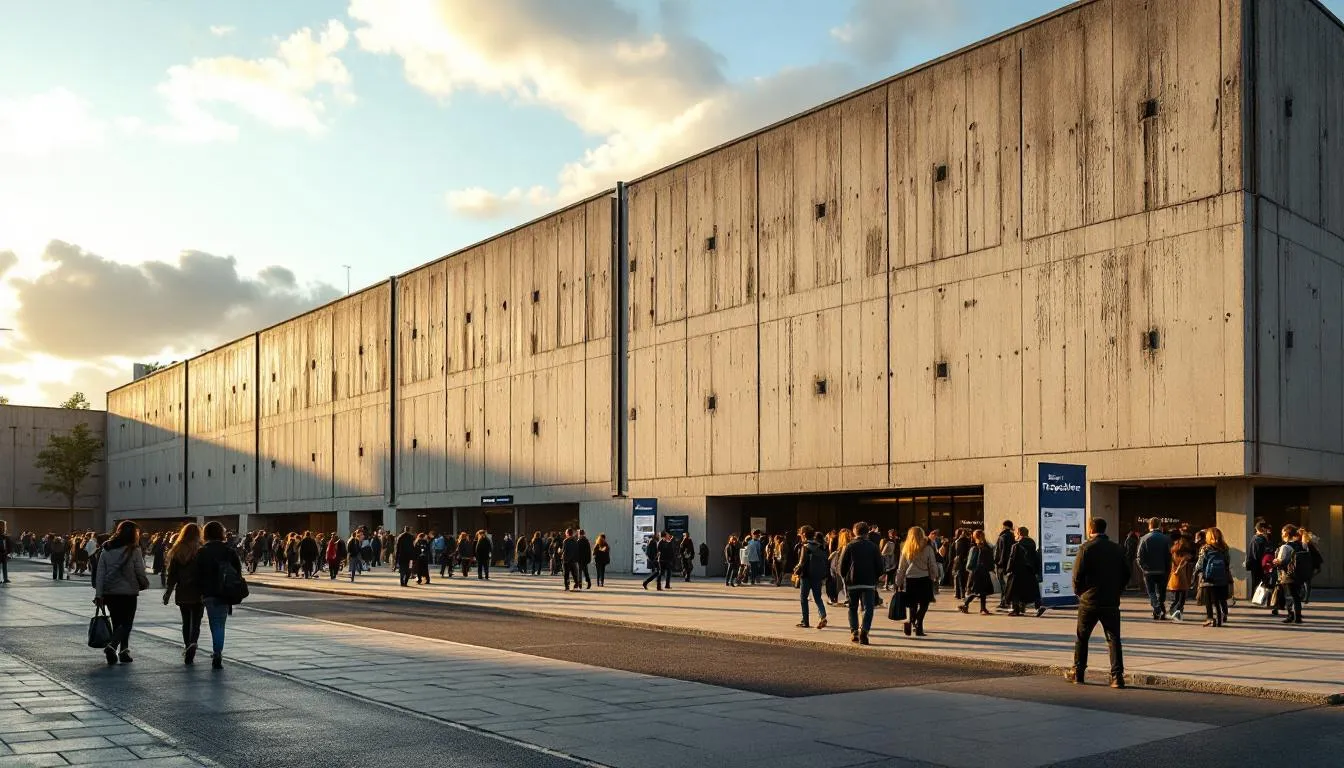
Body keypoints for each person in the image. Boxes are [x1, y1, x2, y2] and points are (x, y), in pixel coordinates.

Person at [1067, 518, 1129, 688]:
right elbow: (1126, 573)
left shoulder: (1086, 548)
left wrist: (1079, 592)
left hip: (1089, 600)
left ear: (1090, 529)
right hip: (1110, 600)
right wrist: (1117, 589)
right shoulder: (1117, 549)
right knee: (1114, 638)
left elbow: (1077, 575)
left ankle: (1078, 673)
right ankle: (1117, 676)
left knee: (1082, 637)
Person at [94, 520, 150, 665]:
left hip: (110, 592)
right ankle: (113, 647)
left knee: (117, 622)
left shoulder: (106, 548)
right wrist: (144, 582)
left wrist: (99, 594)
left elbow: (100, 573)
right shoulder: (134, 550)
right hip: (129, 592)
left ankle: (122, 651)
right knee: (127, 624)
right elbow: (140, 570)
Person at [195, 521, 243, 669]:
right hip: (225, 592)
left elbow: (197, 573)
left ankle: (216, 651)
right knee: (220, 625)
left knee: (213, 623)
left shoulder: (202, 551)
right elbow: (238, 572)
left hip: (209, 592)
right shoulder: (229, 551)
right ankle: (218, 652)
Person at [162, 523, 204, 664]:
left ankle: (187, 646)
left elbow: (172, 574)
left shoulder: (177, 550)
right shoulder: (200, 550)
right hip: (198, 591)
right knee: (196, 622)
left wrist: (168, 592)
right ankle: (193, 643)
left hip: (182, 591)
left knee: (186, 622)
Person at [838, 523, 882, 645]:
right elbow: (880, 566)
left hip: (853, 582)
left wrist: (845, 578)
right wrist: (875, 577)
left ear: (854, 532)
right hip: (869, 582)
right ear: (867, 533)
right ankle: (865, 630)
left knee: (852, 607)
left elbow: (841, 566)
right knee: (868, 608)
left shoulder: (849, 546)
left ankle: (854, 632)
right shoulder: (873, 547)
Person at [895, 526, 938, 637]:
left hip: (910, 579)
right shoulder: (928, 548)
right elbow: (932, 564)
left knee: (912, 604)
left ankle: (911, 622)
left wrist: (898, 581)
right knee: (924, 604)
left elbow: (901, 567)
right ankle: (917, 625)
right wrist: (934, 576)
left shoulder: (906, 548)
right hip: (924, 578)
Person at [1273, 524, 1311, 625]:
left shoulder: (1285, 547)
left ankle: (1291, 615)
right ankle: (1297, 617)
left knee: (1289, 596)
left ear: (1286, 533)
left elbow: (1281, 561)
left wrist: (1275, 561)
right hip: (1299, 575)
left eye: (1282, 532)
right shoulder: (1301, 544)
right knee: (1296, 596)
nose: (1281, 534)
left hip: (1288, 575)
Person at [1194, 526, 1231, 627]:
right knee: (1219, 599)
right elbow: (1227, 562)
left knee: (1208, 600)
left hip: (1208, 578)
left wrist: (1196, 573)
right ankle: (1221, 617)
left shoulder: (1205, 548)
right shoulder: (1225, 548)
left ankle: (1210, 618)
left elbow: (1200, 564)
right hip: (1222, 578)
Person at [1136, 517, 1172, 620]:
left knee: (1151, 592)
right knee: (1161, 591)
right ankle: (1160, 609)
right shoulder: (1166, 539)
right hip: (1162, 570)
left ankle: (1157, 609)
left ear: (1149, 526)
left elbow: (1139, 556)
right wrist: (1168, 569)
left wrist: (1143, 568)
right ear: (1160, 525)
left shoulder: (1144, 538)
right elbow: (1169, 556)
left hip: (1148, 571)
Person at [1006, 527, 1046, 617]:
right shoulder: (1032, 544)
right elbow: (1036, 558)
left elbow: (1012, 559)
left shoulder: (1016, 545)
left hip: (1017, 572)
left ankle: (1016, 610)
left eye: (1016, 533)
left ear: (1020, 533)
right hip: (1030, 571)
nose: (1015, 535)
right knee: (1032, 590)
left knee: (1015, 591)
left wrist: (1008, 570)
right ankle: (1039, 606)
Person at [794, 526, 829, 630]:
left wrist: (795, 570)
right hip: (817, 576)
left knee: (803, 598)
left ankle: (805, 621)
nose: (800, 535)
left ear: (804, 534)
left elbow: (801, 562)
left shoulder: (805, 546)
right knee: (817, 597)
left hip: (806, 576)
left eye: (800, 533)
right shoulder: (821, 546)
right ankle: (822, 616)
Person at [957, 530, 996, 615]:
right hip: (984, 572)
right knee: (982, 591)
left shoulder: (974, 548)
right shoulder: (987, 547)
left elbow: (970, 563)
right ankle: (982, 608)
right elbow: (991, 560)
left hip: (976, 572)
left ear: (974, 537)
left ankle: (966, 605)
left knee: (976, 591)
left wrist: (969, 569)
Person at [1167, 531, 1195, 621]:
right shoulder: (1184, 553)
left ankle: (1172, 612)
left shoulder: (1173, 551)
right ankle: (1176, 613)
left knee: (1176, 598)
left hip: (1174, 576)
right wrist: (1180, 568)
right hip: (1181, 577)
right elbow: (1184, 561)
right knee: (1181, 598)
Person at [1245, 521, 1272, 603]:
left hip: (1256, 564)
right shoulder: (1259, 539)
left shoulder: (1256, 538)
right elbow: (1258, 554)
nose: (1268, 530)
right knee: (1259, 582)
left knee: (1257, 581)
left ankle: (1258, 598)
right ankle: (1258, 599)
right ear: (1263, 529)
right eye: (1267, 528)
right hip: (1259, 564)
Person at [994, 520, 1014, 610]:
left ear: (1005, 526)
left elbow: (1002, 552)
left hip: (1002, 565)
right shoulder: (1012, 536)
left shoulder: (1003, 536)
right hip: (1008, 564)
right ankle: (1005, 601)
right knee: (1006, 584)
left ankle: (1004, 602)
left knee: (1003, 584)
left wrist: (999, 563)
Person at [1300, 529, 1324, 603]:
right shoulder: (1310, 545)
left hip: (1309, 565)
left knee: (1306, 582)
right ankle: (1305, 597)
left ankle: (1305, 597)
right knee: (1307, 582)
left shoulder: (1307, 545)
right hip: (1311, 565)